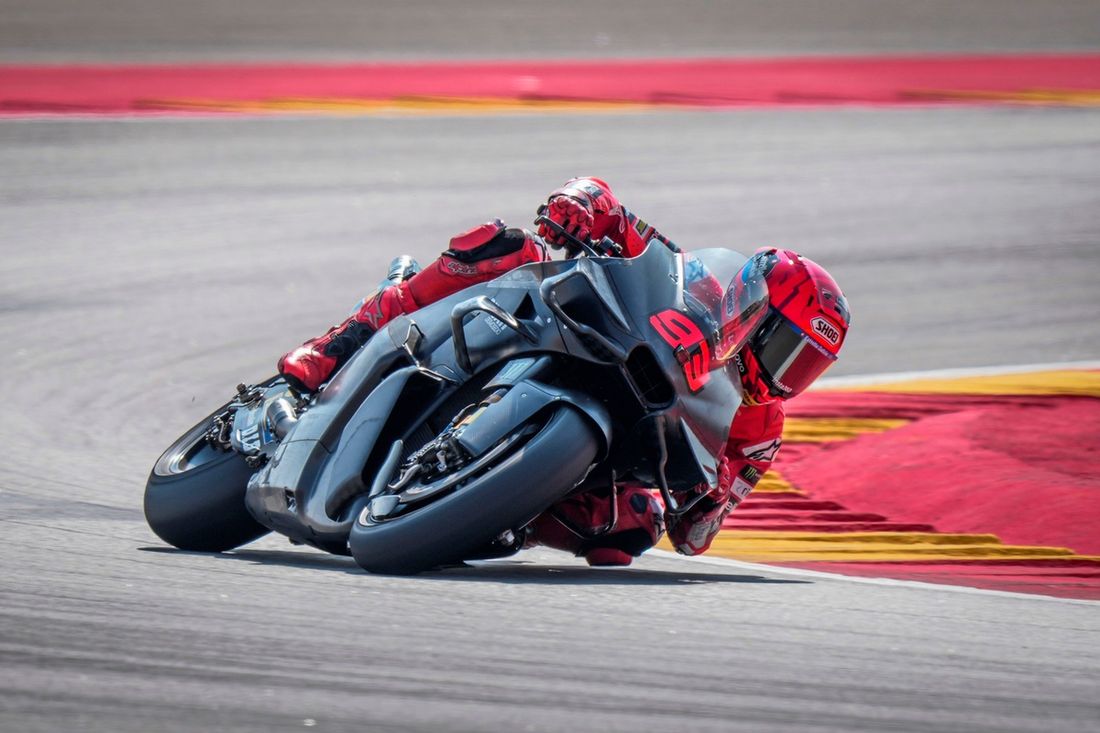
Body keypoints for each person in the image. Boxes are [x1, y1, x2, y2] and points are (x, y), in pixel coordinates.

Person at [278, 178, 851, 566]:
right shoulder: (697, 281)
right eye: (785, 352)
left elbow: (695, 538)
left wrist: (711, 498)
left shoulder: (763, 430)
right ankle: (341, 342)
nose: (784, 376)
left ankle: (490, 518)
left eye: (805, 368)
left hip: (625, 443)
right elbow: (623, 223)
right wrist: (580, 203)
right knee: (505, 249)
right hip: (580, 342)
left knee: (631, 527)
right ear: (751, 310)